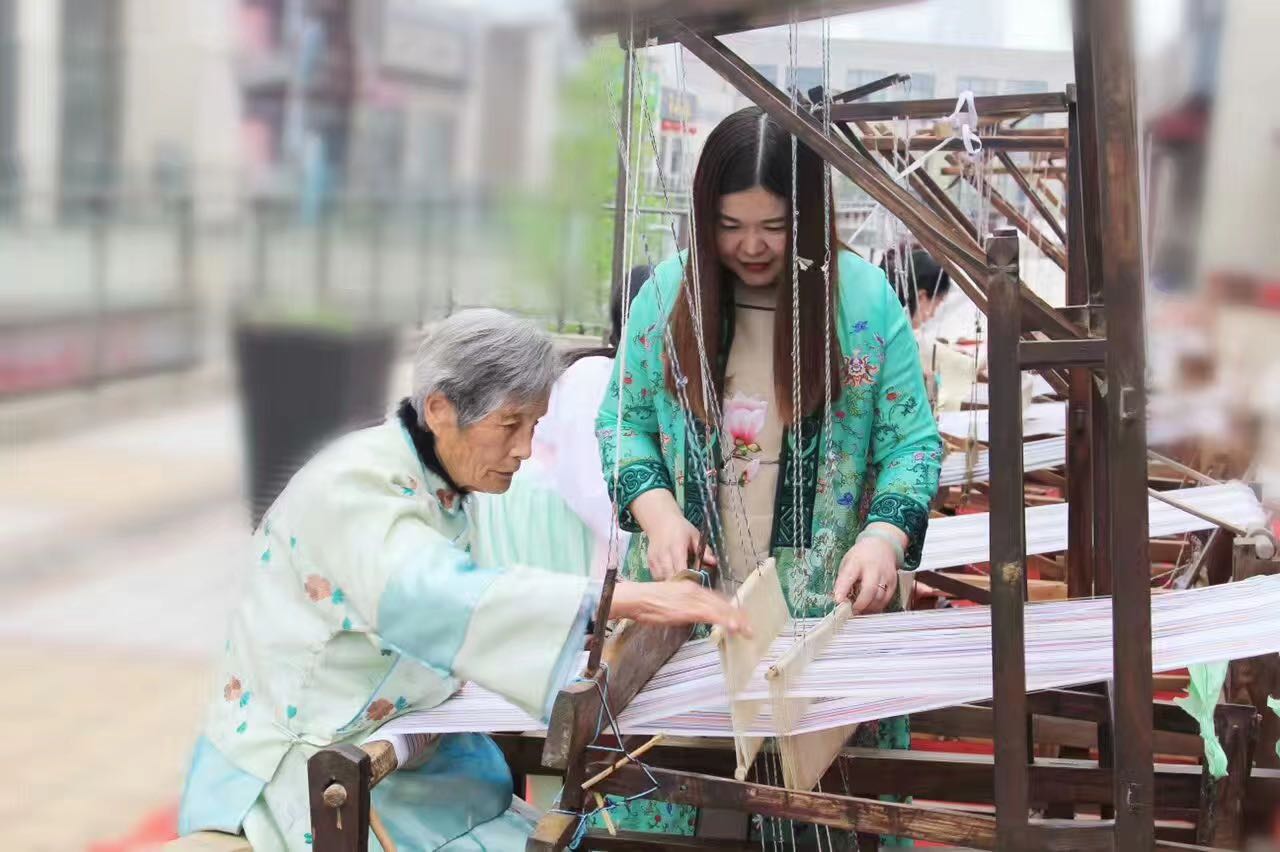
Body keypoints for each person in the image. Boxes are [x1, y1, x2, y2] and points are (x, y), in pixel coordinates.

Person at [179, 309, 748, 852]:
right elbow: (429, 596)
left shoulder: (435, 482)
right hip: (312, 763)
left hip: (409, 744)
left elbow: (469, 590)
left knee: (510, 811)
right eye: (510, 426)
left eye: (534, 426)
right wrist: (628, 599)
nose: (525, 450)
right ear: (440, 409)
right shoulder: (352, 487)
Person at [595, 107, 942, 843]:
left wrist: (882, 540)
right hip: (688, 621)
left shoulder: (865, 303)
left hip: (822, 624)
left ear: (809, 216)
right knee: (673, 810)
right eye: (729, 224)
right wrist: (659, 516)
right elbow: (621, 424)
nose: (750, 246)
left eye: (774, 225)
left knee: (824, 811)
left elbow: (912, 441)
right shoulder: (668, 296)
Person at [473, 266, 651, 577]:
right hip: (546, 516)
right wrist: (652, 537)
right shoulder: (594, 378)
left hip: (586, 516)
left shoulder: (648, 388)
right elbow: (590, 486)